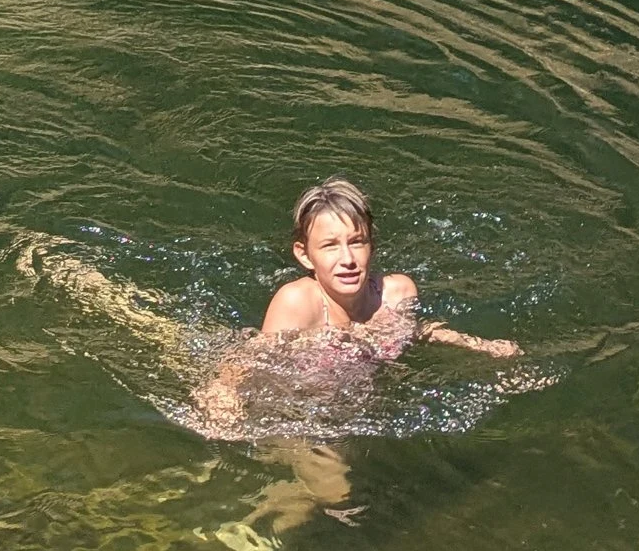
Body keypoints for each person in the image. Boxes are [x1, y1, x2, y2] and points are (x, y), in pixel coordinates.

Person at [194, 175, 518, 432]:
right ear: (304, 254)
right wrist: (222, 392)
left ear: (371, 246)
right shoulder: (298, 302)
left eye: (357, 242)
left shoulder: (397, 293)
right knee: (334, 497)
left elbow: (415, 330)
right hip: (298, 415)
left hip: (363, 412)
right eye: (330, 246)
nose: (347, 259)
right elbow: (254, 358)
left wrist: (479, 346)